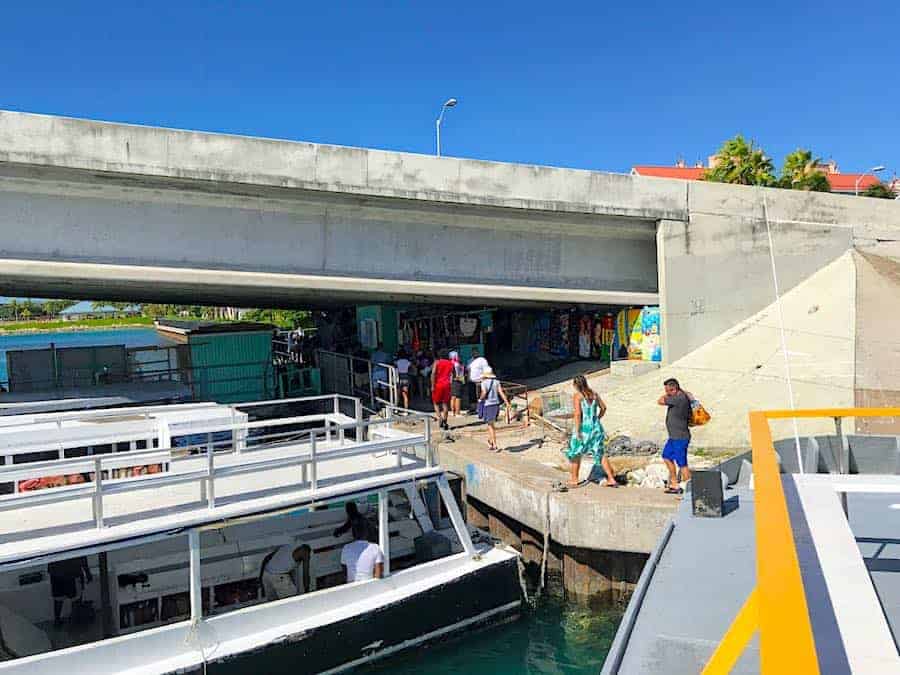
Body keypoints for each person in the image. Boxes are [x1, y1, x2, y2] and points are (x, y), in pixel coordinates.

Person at [566, 375, 617, 488]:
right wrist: (597, 418)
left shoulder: (578, 396)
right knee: (600, 453)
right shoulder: (594, 394)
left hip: (584, 428)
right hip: (596, 427)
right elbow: (603, 408)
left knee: (575, 452)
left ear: (575, 385)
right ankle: (611, 478)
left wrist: (578, 430)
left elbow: (578, 414)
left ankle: (574, 479)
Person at [657, 378, 694, 494]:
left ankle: (690, 488)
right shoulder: (680, 395)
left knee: (682, 463)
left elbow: (660, 401)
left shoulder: (678, 398)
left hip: (680, 437)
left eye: (668, 390)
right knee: (666, 456)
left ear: (674, 389)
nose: (666, 393)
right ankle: (674, 483)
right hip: (674, 436)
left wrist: (667, 395)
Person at [49, 556, 92, 625]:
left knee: (58, 599)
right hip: (72, 572)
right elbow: (82, 556)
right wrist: (87, 572)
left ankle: (57, 620)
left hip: (55, 572)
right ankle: (74, 621)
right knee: (76, 598)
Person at [340, 517, 385, 583]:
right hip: (369, 586)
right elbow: (378, 575)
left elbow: (345, 571)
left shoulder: (346, 548)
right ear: (367, 532)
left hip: (351, 586)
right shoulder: (375, 547)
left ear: (353, 534)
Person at [478, 368, 511, 453]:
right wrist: (507, 402)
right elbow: (501, 392)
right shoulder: (496, 382)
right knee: (491, 424)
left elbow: (484, 392)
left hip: (488, 404)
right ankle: (490, 441)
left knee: (490, 425)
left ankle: (495, 444)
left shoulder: (483, 383)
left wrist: (480, 399)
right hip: (496, 404)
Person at [431, 350, 454, 430]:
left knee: (436, 403)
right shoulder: (451, 363)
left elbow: (433, 373)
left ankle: (439, 417)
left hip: (438, 384)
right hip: (447, 385)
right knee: (445, 404)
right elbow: (453, 374)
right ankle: (445, 421)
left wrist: (432, 385)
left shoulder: (437, 362)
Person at [449, 351, 466, 418]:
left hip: (452, 382)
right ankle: (457, 413)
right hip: (457, 381)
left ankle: (453, 412)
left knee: (453, 397)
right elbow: (458, 374)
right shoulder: (457, 364)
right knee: (458, 397)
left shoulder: (450, 363)